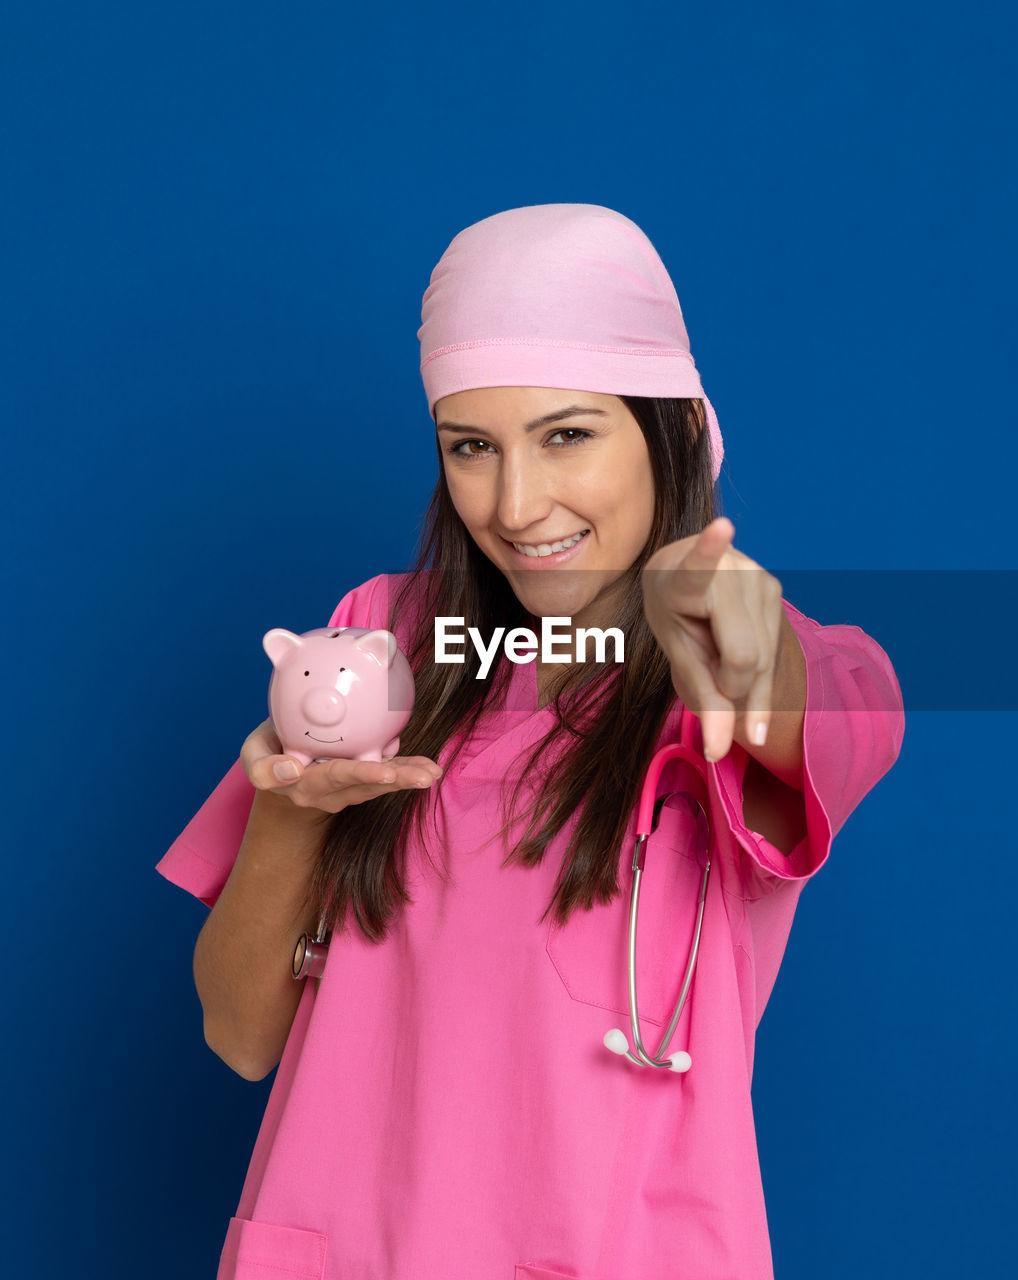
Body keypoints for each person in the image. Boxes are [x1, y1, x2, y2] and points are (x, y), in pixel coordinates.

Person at [158, 203, 905, 1280]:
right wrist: (287, 809)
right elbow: (238, 1033)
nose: (514, 504)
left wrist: (759, 661)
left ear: (678, 433)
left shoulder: (729, 661)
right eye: (472, 446)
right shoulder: (382, 639)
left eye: (566, 435)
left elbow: (846, 704)